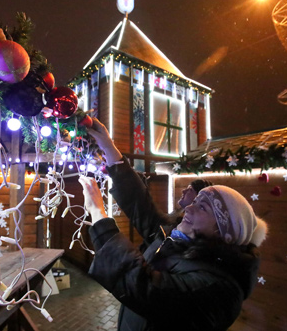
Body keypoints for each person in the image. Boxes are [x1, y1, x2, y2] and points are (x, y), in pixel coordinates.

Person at [78, 119, 268, 331]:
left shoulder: (220, 289)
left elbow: (145, 287)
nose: (189, 209)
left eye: (203, 208)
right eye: (194, 202)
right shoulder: (178, 239)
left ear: (225, 232)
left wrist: (98, 214)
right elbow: (140, 206)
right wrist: (108, 147)